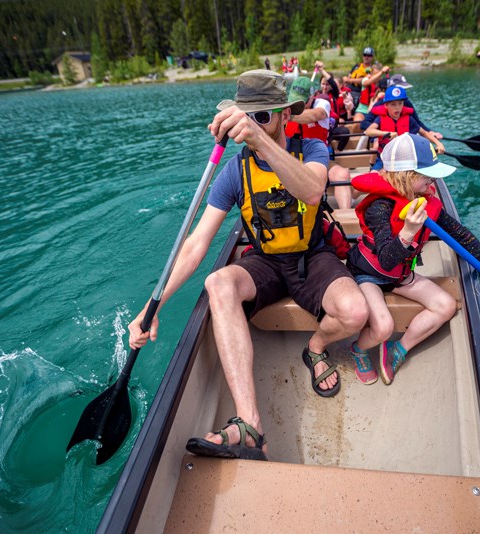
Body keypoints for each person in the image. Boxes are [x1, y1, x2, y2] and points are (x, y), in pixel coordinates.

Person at [128, 70, 369, 460]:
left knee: (356, 312)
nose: (253, 126)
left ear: (284, 117)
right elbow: (196, 244)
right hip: (265, 262)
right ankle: (250, 424)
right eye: (248, 117)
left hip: (313, 255)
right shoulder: (234, 170)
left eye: (263, 117)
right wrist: (150, 309)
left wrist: (259, 140)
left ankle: (316, 347)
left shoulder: (312, 149)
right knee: (218, 284)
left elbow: (310, 190)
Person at [345, 133, 480, 385]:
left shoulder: (427, 202)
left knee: (446, 306)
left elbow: (462, 236)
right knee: (383, 327)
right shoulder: (379, 207)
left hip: (401, 273)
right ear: (406, 176)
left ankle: (399, 349)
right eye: (427, 175)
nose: (433, 180)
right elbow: (387, 260)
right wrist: (408, 233)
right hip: (369, 272)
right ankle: (358, 349)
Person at [285, 76, 354, 210]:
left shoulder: (322, 104)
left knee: (342, 175)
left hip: (319, 158)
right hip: (293, 161)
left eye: (302, 102)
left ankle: (346, 219)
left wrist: (285, 116)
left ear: (312, 96)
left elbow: (316, 115)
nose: (297, 106)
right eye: (294, 101)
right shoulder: (285, 108)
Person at [364, 85, 445, 171]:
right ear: (386, 105)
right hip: (384, 158)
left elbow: (424, 133)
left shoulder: (409, 119)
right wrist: (386, 133)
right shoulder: (380, 119)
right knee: (374, 174)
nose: (397, 107)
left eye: (400, 103)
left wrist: (438, 143)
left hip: (403, 160)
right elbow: (369, 131)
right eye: (393, 104)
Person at [359, 74, 443, 140]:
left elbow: (417, 122)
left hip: (401, 138)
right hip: (382, 137)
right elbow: (364, 124)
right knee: (376, 144)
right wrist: (384, 131)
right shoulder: (381, 103)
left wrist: (430, 132)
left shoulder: (406, 102)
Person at [343, 46, 375, 110]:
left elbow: (364, 80)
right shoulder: (357, 66)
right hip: (349, 90)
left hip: (359, 92)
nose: (366, 57)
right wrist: (347, 80)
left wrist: (349, 80)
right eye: (365, 55)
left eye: (369, 56)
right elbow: (347, 77)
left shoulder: (372, 69)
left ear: (372, 57)